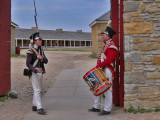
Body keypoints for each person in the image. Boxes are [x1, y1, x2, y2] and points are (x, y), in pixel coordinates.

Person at [88, 26, 118, 116]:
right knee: (97, 87)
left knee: (107, 90)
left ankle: (107, 109)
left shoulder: (112, 47)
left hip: (107, 70)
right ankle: (96, 106)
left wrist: (99, 65)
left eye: (104, 35)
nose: (102, 36)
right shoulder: (106, 45)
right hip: (102, 69)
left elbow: (109, 61)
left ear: (108, 36)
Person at [26, 32, 48, 115]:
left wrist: (41, 58)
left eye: (40, 39)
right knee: (37, 90)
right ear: (35, 41)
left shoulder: (41, 50)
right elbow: (28, 64)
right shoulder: (31, 51)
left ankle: (34, 105)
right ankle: (39, 107)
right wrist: (35, 70)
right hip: (34, 73)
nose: (41, 41)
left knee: (37, 89)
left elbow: (46, 61)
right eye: (39, 39)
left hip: (41, 72)